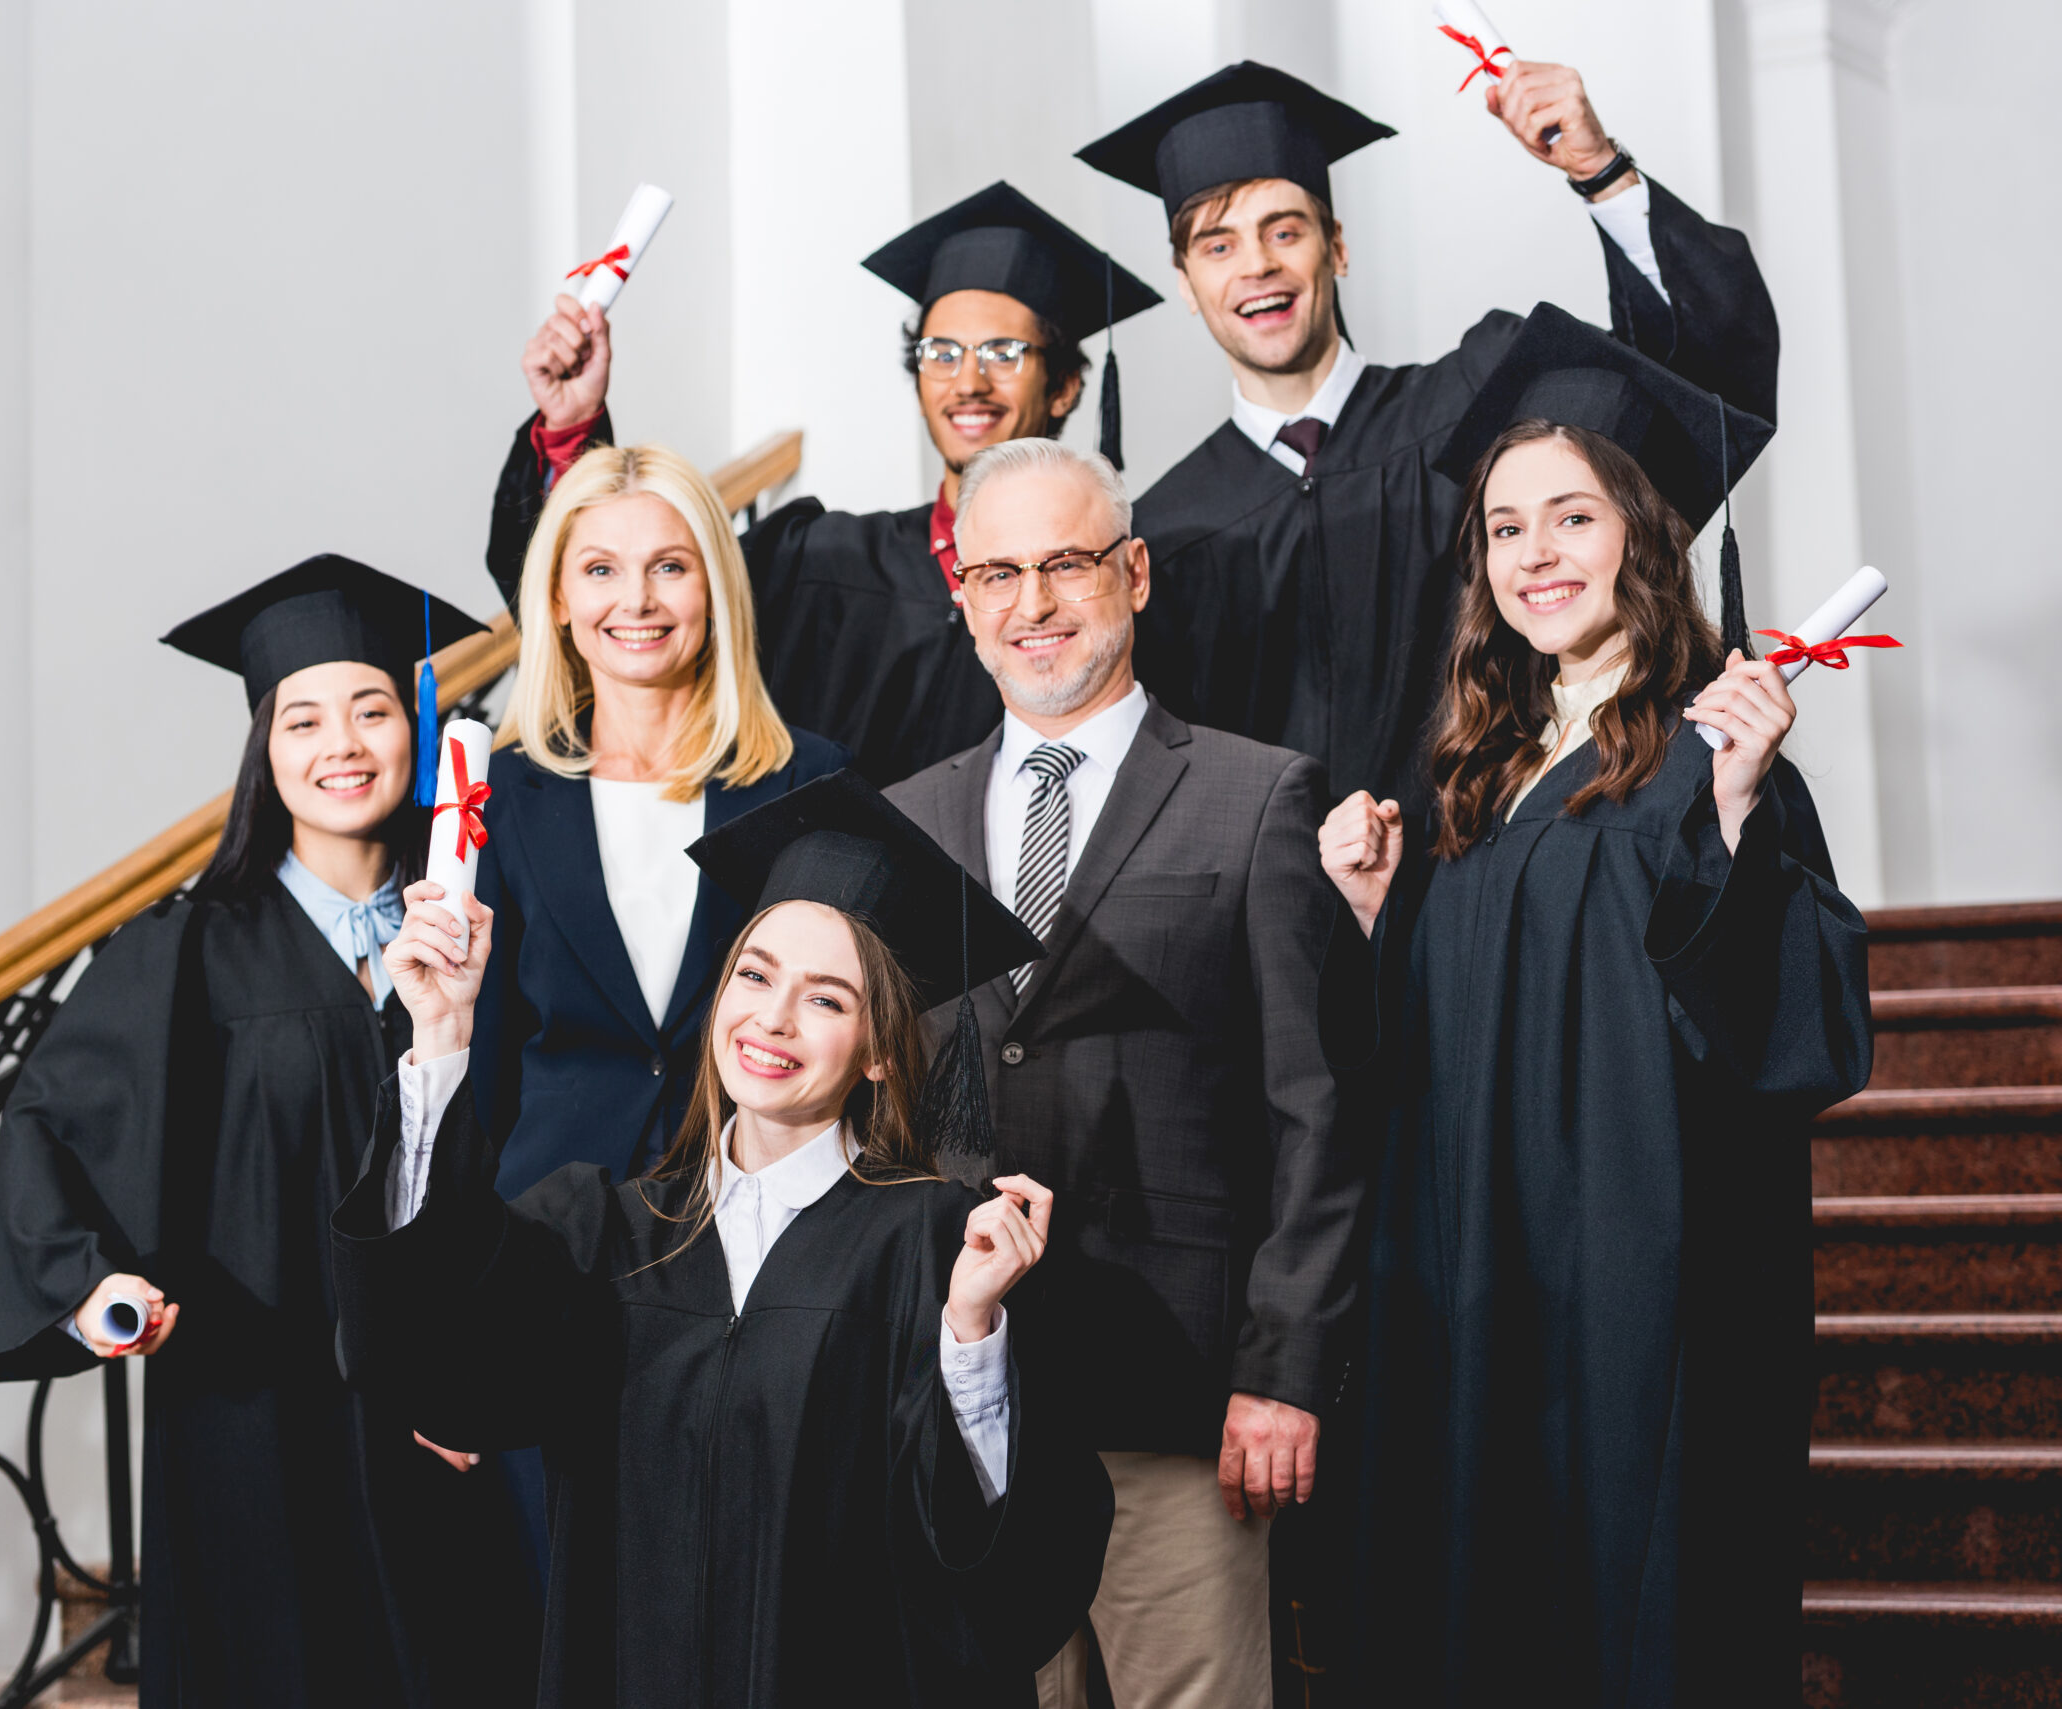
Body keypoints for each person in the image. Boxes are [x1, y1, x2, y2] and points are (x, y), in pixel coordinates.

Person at [1316, 306, 1871, 1704]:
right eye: (1506, 528)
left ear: (1642, 532)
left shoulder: (1714, 754)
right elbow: (1434, 1058)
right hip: (1475, 1286)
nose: (1535, 555)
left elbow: (1798, 1040)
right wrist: (1389, 918)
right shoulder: (1475, 773)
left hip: (1640, 1293)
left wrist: (1733, 832)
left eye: (1571, 517)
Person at [334, 769, 1116, 1707]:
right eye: (754, 974)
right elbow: (438, 1364)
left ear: (877, 1049)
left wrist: (972, 1335)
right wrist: (443, 1032)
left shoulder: (944, 1247)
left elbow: (1017, 1574)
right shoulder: (606, 1230)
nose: (774, 1018)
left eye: (827, 999)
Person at [0, 556, 534, 1708]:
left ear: (416, 731)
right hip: (252, 1403)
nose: (342, 743)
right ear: (265, 751)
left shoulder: (474, 935)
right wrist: (92, 1283)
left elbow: (529, 1158)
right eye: (302, 718)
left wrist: (487, 1372)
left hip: (432, 1406)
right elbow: (53, 1126)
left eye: (371, 708)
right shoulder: (187, 950)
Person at [884, 438, 1352, 1709]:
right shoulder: (907, 822)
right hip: (971, 1394)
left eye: (1066, 564)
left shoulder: (1257, 798)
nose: (1032, 604)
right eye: (997, 573)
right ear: (963, 598)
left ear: (1133, 572)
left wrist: (1282, 1368)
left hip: (1182, 1398)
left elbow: (1316, 1111)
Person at [1076, 59, 1781, 809]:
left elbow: (1696, 381)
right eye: (1218, 246)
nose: (1257, 265)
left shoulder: (1481, 402)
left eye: (1285, 230)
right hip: (1284, 912)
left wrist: (1599, 171)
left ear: (1336, 246)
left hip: (1492, 871)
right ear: (1186, 282)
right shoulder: (1167, 528)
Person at [488, 182, 1161, 784]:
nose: (968, 382)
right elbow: (606, 608)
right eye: (942, 353)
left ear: (1068, 384)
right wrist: (571, 429)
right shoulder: (814, 562)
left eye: (1004, 354)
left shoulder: (1108, 586)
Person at [473, 442, 847, 1197]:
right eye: (601, 569)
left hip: (748, 1205)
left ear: (714, 587)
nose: (636, 600)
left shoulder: (807, 778)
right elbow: (488, 1044)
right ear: (556, 598)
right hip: (551, 1218)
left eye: (670, 566)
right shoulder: (507, 789)